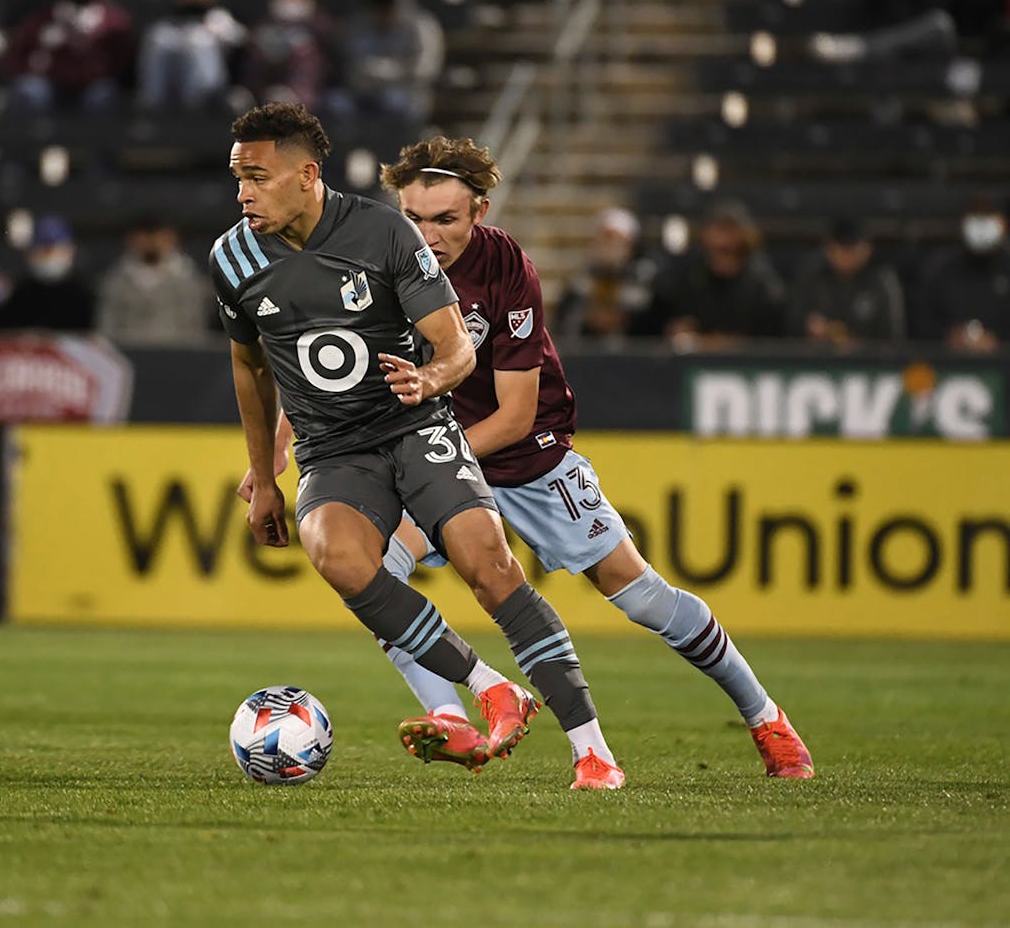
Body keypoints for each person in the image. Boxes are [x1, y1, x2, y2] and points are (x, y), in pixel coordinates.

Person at [362, 136, 812, 779]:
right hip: (443, 454)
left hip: (528, 457)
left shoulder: (504, 266)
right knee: (378, 576)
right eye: (414, 218)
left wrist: (431, 453)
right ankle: (453, 720)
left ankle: (767, 718)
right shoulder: (380, 267)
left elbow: (515, 416)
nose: (427, 235)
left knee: (641, 598)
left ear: (479, 212)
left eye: (445, 219)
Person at [215, 103, 622, 788]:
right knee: (338, 557)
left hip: (415, 429)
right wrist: (264, 473)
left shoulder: (383, 234)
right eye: (237, 178)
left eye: (258, 176)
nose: (243, 193)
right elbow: (249, 367)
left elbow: (456, 346)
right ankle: (492, 687)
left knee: (489, 568)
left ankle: (593, 750)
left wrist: (431, 376)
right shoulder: (233, 257)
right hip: (331, 448)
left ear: (307, 175)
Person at [638, 199, 787, 351]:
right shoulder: (688, 276)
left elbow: (769, 339)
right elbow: (665, 324)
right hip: (689, 364)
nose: (724, 240)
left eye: (730, 230)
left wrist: (715, 342)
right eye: (719, 230)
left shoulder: (762, 282)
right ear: (706, 234)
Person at [2, 0, 135, 111]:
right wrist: (42, 51)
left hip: (91, 86)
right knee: (30, 89)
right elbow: (15, 57)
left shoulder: (114, 21)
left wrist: (90, 41)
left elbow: (122, 63)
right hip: (51, 83)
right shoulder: (43, 18)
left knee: (103, 93)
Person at [911, 195, 1010, 352]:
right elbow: (920, 325)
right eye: (976, 216)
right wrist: (947, 336)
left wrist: (997, 342)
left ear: (1004, 223)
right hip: (948, 366)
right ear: (962, 223)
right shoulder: (939, 268)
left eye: (988, 216)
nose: (982, 225)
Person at [789, 217, 906, 347]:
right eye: (842, 250)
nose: (847, 258)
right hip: (817, 359)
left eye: (853, 250)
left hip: (870, 361)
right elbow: (792, 322)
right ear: (828, 248)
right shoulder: (813, 273)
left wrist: (859, 343)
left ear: (867, 248)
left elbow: (893, 336)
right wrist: (808, 326)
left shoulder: (881, 278)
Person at [97, 216, 214, 344]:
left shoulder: (188, 279)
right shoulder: (116, 280)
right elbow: (108, 326)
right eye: (144, 236)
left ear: (171, 238)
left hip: (176, 352)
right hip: (127, 354)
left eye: (157, 236)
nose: (150, 242)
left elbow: (194, 326)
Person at [136, 0, 247, 112]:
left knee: (200, 39)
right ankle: (152, 104)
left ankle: (196, 104)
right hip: (169, 93)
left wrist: (218, 31)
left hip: (215, 94)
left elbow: (243, 42)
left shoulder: (219, 17)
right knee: (159, 38)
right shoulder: (165, 22)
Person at [553, 207, 657, 345]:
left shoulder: (647, 278)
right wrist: (589, 317)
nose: (608, 247)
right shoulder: (580, 281)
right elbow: (563, 323)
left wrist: (624, 319)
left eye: (615, 240)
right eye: (604, 239)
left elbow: (653, 323)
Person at [0, 215, 95, 331]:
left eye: (54, 250)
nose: (49, 257)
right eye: (42, 250)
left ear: (70, 251)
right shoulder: (20, 294)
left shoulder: (84, 295)